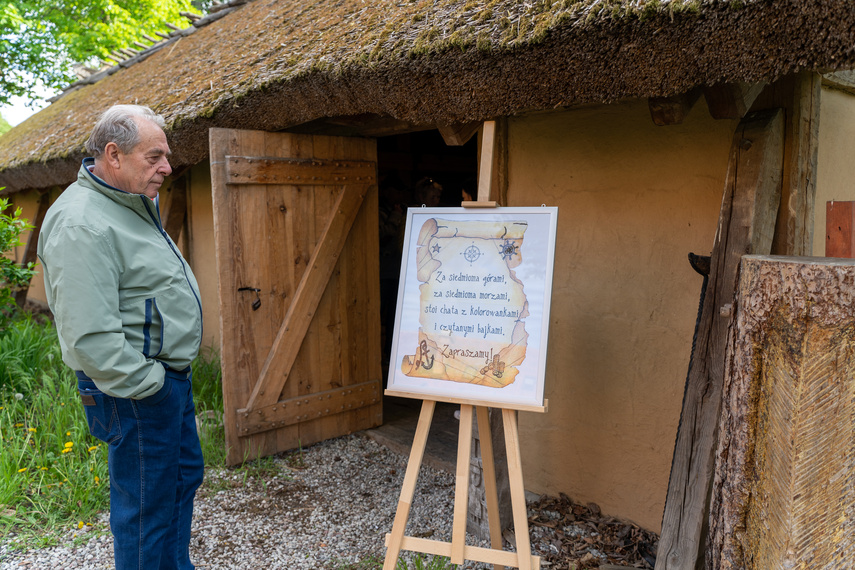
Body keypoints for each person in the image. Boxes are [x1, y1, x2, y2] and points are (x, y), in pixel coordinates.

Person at [37, 105, 204, 570]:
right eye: (155, 157)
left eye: (166, 156)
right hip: (135, 389)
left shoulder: (130, 201)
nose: (166, 167)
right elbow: (90, 337)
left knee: (180, 480)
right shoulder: (81, 222)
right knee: (145, 511)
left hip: (163, 379)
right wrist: (153, 384)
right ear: (113, 154)